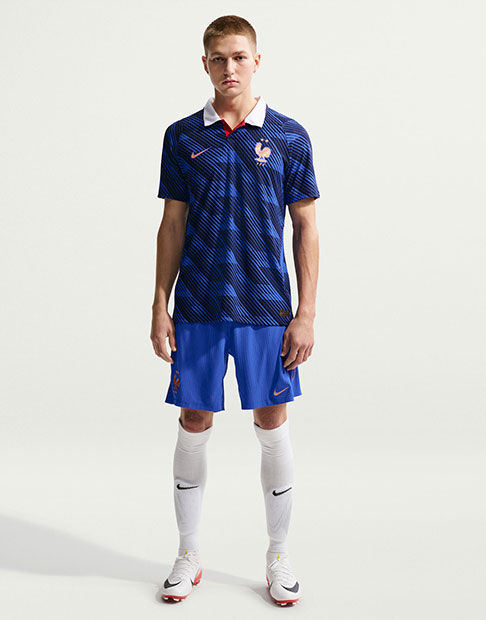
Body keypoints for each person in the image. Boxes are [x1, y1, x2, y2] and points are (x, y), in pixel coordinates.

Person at [150, 14, 320, 606]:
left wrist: (306, 313)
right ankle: (188, 553)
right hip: (197, 306)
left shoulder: (289, 136)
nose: (230, 68)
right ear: (205, 63)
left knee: (271, 423)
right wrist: (159, 305)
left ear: (257, 60)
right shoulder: (182, 136)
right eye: (219, 58)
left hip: (267, 308)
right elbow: (171, 224)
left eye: (239, 57)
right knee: (194, 421)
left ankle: (279, 555)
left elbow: (306, 228)